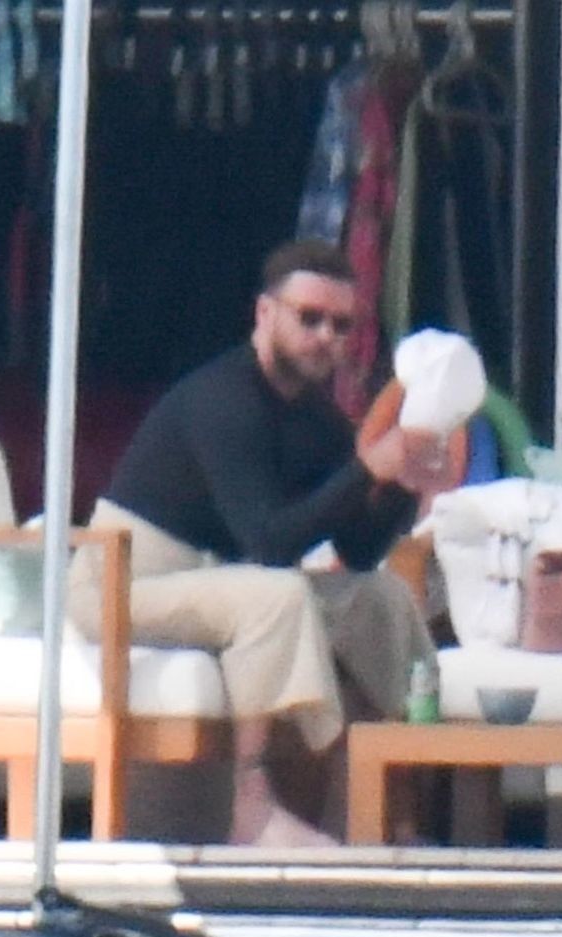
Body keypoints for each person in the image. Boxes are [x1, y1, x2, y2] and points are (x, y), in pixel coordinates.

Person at [69, 239, 459, 848]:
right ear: (265, 313)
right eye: (310, 318)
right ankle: (250, 808)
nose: (326, 337)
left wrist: (402, 485)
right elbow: (268, 541)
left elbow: (358, 551)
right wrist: (365, 468)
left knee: (377, 597)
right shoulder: (223, 399)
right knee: (276, 596)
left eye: (341, 326)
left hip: (216, 578)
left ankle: (395, 803)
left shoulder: (315, 417)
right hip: (125, 583)